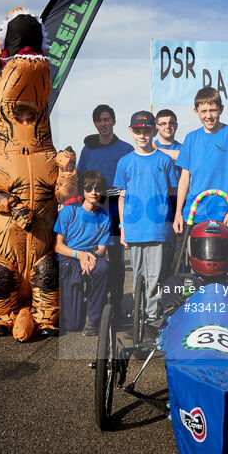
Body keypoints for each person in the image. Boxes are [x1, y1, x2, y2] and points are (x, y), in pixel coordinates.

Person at [114, 111, 176, 327]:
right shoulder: (124, 162)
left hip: (158, 229)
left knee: (155, 278)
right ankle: (138, 314)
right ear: (131, 131)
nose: (142, 135)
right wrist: (122, 228)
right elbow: (121, 197)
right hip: (133, 229)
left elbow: (172, 194)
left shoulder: (164, 160)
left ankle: (151, 317)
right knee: (137, 278)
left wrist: (172, 220)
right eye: (138, 130)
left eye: (146, 130)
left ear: (153, 131)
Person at [77, 104, 133, 312]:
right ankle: (94, 304)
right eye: (99, 120)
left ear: (114, 122)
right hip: (93, 209)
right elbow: (80, 178)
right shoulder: (88, 149)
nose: (103, 124)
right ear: (95, 123)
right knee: (92, 255)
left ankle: (116, 303)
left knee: (116, 259)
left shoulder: (126, 149)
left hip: (116, 209)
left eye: (107, 119)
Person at [174, 87, 228, 233]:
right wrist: (178, 213)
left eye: (213, 110)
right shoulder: (191, 138)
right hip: (193, 214)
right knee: (183, 256)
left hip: (223, 214)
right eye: (203, 111)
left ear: (221, 109)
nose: (209, 116)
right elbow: (184, 178)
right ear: (196, 111)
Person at [54, 170, 111, 335]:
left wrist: (90, 256)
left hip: (91, 255)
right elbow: (58, 246)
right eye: (89, 188)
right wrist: (79, 255)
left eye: (98, 188)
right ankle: (78, 307)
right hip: (70, 258)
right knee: (72, 325)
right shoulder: (69, 211)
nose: (94, 192)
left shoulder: (105, 216)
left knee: (103, 268)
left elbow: (102, 249)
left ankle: (93, 318)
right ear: (82, 191)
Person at [153, 108, 183, 278]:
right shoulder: (149, 148)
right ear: (156, 127)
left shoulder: (183, 147)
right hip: (157, 208)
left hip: (178, 205)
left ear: (176, 126)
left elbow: (186, 156)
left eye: (171, 123)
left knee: (177, 257)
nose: (167, 126)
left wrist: (159, 150)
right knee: (159, 257)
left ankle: (175, 294)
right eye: (163, 123)